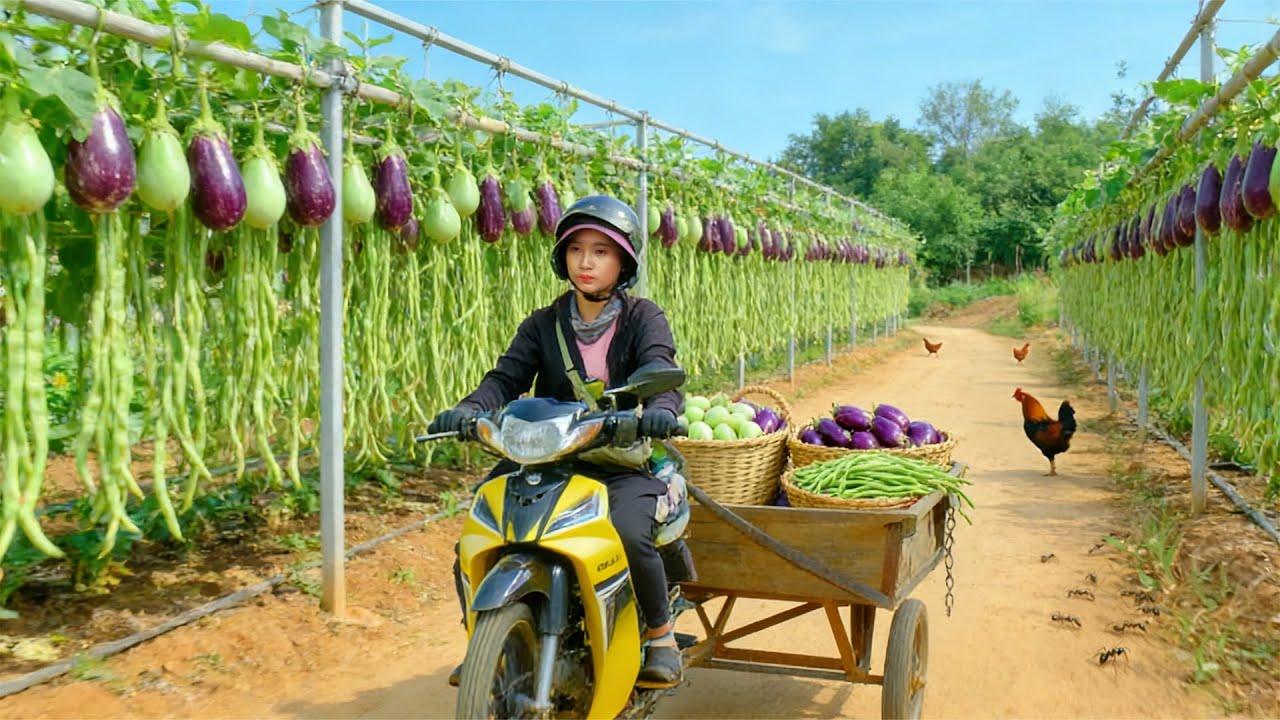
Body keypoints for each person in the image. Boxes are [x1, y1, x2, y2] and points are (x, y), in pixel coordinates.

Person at [429, 195, 685, 688]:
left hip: (615, 458)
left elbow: (660, 368)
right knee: (482, 528)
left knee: (631, 532)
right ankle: (485, 638)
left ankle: (661, 636)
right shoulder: (542, 323)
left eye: (601, 251)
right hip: (546, 456)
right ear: (562, 257)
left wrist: (659, 412)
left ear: (623, 261)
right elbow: (505, 379)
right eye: (576, 250)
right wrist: (470, 410)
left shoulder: (643, 317)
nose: (586, 262)